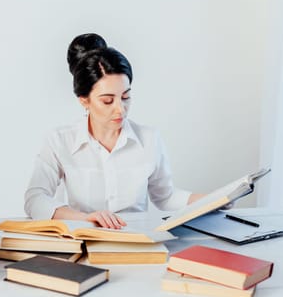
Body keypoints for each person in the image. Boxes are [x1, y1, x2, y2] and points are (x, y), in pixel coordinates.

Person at [24, 33, 205, 229]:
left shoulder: (149, 139)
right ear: (84, 100)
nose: (120, 109)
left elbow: (166, 197)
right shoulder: (60, 140)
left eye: (125, 97)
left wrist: (211, 200)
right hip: (85, 238)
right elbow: (35, 199)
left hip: (136, 241)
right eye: (107, 100)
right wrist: (85, 218)